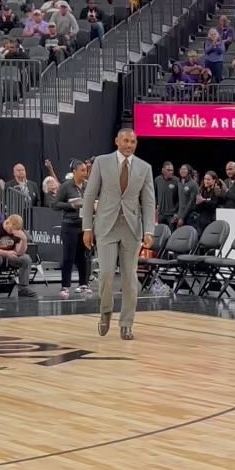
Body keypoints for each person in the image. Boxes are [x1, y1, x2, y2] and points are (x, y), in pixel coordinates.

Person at [81, 126, 155, 341]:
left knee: (130, 279)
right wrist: (87, 227)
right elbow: (89, 195)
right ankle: (105, 312)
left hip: (132, 229)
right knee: (105, 274)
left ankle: (126, 323)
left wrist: (149, 230)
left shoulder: (145, 168)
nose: (128, 145)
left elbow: (149, 202)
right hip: (105, 227)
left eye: (132, 142)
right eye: (125, 141)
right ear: (116, 141)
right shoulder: (102, 163)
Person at [55, 160, 91, 297]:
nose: (85, 173)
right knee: (68, 256)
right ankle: (65, 286)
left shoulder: (88, 186)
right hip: (69, 224)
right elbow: (55, 205)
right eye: (82, 170)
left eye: (85, 170)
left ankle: (84, 284)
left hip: (85, 225)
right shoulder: (66, 186)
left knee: (84, 256)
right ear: (74, 171)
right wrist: (71, 206)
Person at [0, 212, 33, 301]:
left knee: (26, 259)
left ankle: (23, 288)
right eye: (11, 230)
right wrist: (5, 253)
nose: (12, 232)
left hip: (10, 256)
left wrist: (24, 240)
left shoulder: (17, 230)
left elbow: (19, 252)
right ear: (7, 222)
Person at [154, 161, 180, 226]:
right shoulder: (157, 180)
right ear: (163, 170)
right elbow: (154, 195)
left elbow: (180, 199)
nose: (171, 172)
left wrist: (176, 213)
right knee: (158, 233)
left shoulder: (177, 181)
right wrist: (155, 210)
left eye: (172, 170)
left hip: (171, 215)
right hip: (160, 214)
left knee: (171, 234)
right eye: (168, 170)